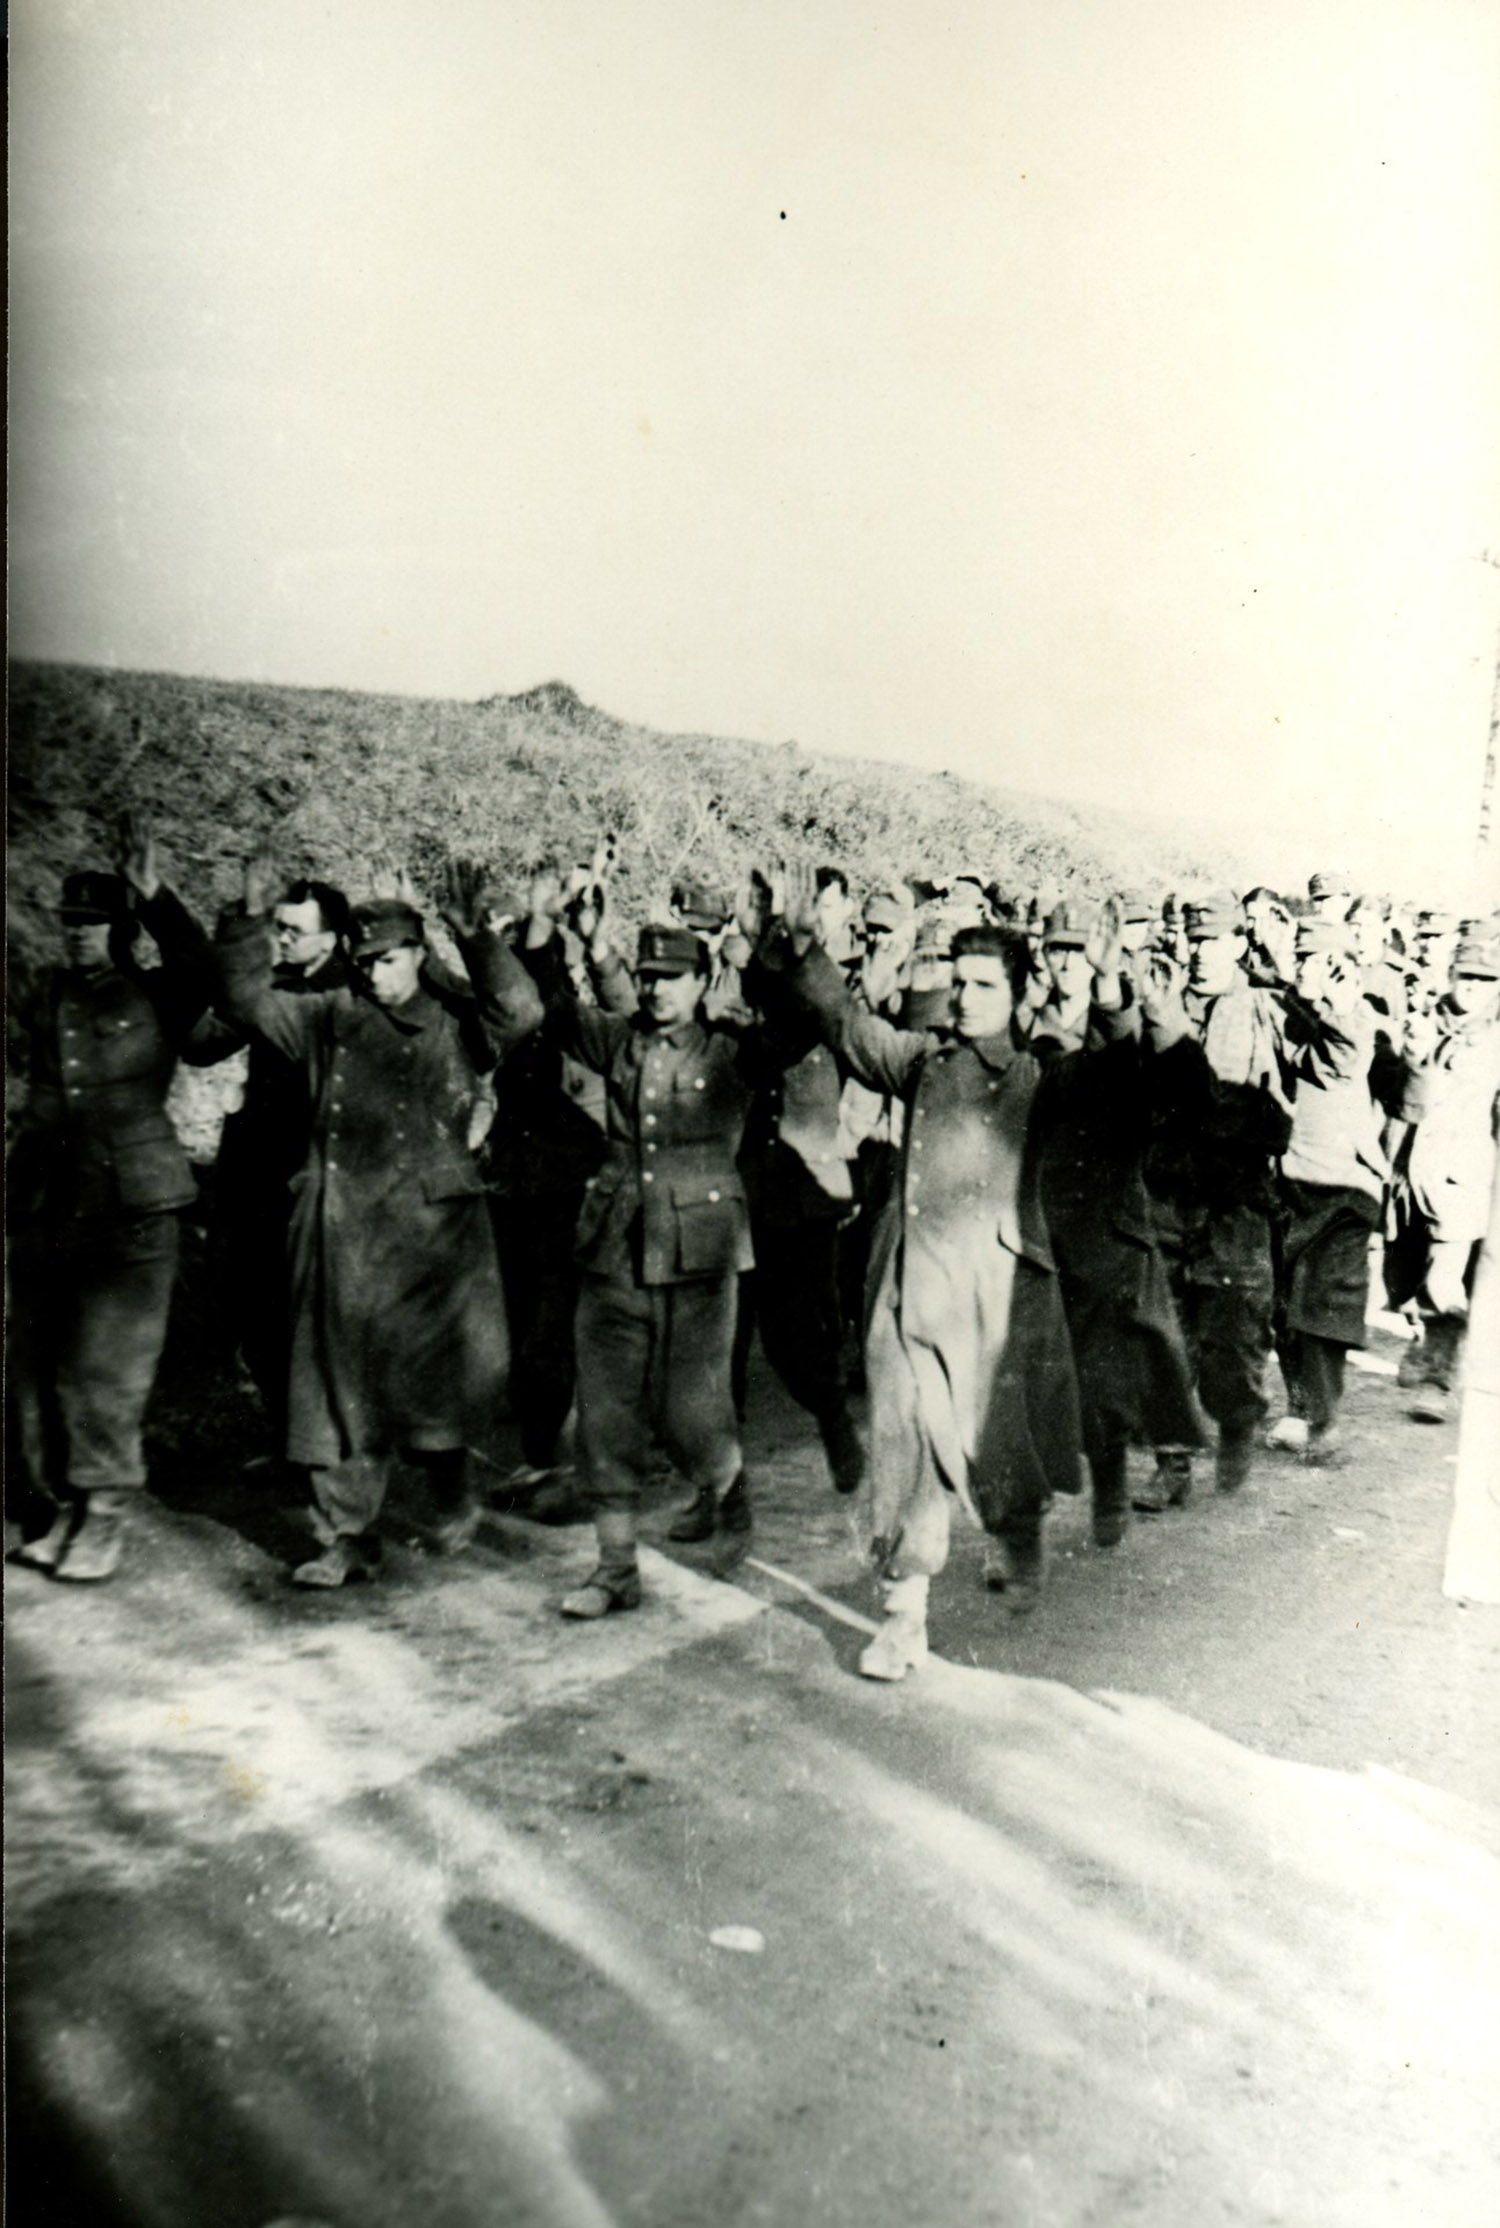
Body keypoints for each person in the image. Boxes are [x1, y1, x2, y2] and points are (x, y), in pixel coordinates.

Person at [775, 865, 1094, 1681]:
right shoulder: (924, 1062)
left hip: (990, 1297)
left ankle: (1015, 1532)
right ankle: (903, 1618)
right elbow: (850, 1029)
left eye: (984, 985)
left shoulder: (1040, 1074)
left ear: (1018, 996)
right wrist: (808, 949)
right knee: (902, 1442)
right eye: (958, 983)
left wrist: (1109, 1003)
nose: (963, 998)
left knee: (994, 1445)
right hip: (908, 1288)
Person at [213, 861, 543, 1586]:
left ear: (419, 956)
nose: (372, 973)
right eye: (361, 960)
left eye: (387, 959)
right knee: (336, 1384)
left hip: (432, 1241)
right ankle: (348, 1537)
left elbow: (522, 1012)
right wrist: (246, 926)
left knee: (429, 1390)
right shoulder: (328, 1017)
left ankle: (451, 1480)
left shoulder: (458, 1022)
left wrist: (475, 940)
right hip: (341, 1234)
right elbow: (244, 1003)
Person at [513, 887, 787, 1618]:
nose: (655, 989)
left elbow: (797, 1028)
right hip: (615, 1245)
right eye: (646, 977)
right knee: (605, 1408)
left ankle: (728, 1494)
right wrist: (552, 940)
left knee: (692, 1411)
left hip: (699, 1252)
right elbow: (561, 1011)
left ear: (702, 984)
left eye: (670, 978)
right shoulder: (622, 1041)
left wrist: (765, 951)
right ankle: (615, 1568)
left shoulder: (734, 1051)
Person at [8, 817, 213, 1581]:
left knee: (108, 1369)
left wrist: (156, 894)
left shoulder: (157, 992)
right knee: (43, 1362)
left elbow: (203, 966)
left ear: (121, 930)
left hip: (135, 1208)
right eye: (70, 923)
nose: (78, 936)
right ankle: (60, 1505)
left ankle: (105, 1516)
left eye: (94, 924)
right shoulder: (50, 992)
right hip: (52, 1201)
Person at [182, 868, 351, 1446]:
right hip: (256, 1174)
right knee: (255, 1311)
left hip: (314, 1175)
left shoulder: (349, 992)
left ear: (329, 940)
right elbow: (202, 1046)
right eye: (277, 927)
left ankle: (320, 1453)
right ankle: (287, 1443)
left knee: (306, 1319)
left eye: (293, 931)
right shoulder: (272, 983)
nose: (280, 939)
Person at [1265, 918, 1409, 1462]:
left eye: (1321, 960)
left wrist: (1334, 1003)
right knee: (1282, 1304)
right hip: (1286, 1175)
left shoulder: (1358, 1017)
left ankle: (1321, 1422)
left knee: (1323, 1301)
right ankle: (1300, 1407)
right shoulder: (1280, 1004)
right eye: (1302, 957)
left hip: (1344, 1185)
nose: (1310, 969)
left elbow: (1346, 1060)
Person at [1386, 930, 1500, 1422]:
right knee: (1403, 1271)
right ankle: (1422, 1338)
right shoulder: (1422, 1022)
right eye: (1466, 976)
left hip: (1465, 1173)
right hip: (1410, 1171)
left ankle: (1438, 1377)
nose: (1473, 986)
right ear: (1450, 975)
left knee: (1446, 1278)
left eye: (1485, 978)